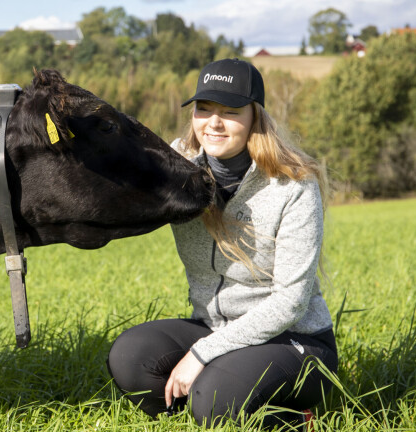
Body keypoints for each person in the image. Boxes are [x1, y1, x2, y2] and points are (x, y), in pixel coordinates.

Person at [107, 58, 338, 429]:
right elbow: (120, 186)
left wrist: (201, 353)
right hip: (215, 326)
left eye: (230, 112)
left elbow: (290, 303)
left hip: (295, 343)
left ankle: (301, 420)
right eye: (204, 108)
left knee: (215, 397)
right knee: (131, 357)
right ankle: (209, 411)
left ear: (255, 117)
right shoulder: (178, 164)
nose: (213, 122)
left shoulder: (294, 184)